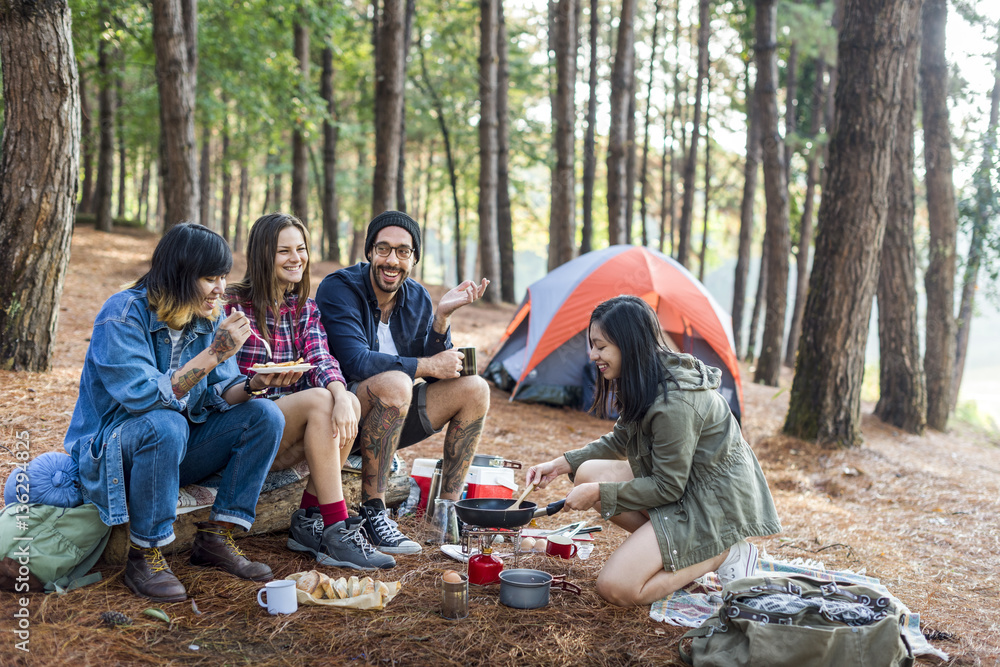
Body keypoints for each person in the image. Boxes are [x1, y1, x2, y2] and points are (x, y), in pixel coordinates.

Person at [64, 223, 286, 603]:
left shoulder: (207, 317)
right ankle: (144, 554)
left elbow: (219, 393)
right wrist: (215, 352)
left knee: (265, 414)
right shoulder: (122, 314)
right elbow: (145, 398)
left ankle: (217, 536)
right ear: (180, 275)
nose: (220, 288)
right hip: (115, 455)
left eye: (222, 277)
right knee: (165, 424)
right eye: (210, 278)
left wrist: (254, 386)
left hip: (172, 449)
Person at [525, 295, 781, 607]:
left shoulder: (675, 403)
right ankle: (677, 551)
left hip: (712, 506)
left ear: (628, 345)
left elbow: (667, 486)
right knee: (587, 472)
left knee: (615, 587)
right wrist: (562, 464)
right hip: (687, 490)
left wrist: (598, 494)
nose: (592, 355)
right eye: (592, 345)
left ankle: (720, 553)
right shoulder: (647, 378)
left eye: (601, 346)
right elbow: (620, 439)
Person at [225, 213, 394, 570]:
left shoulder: (303, 309)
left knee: (341, 398)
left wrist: (343, 393)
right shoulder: (231, 307)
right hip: (242, 433)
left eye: (300, 249)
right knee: (324, 399)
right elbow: (221, 384)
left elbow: (321, 357)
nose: (295, 258)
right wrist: (331, 393)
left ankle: (308, 519)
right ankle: (338, 528)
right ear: (262, 256)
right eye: (283, 251)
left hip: (284, 440)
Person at [316, 210, 490, 554]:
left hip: (389, 419)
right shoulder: (339, 288)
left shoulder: (418, 298)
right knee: (396, 382)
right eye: (383, 249)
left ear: (413, 258)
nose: (392, 260)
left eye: (403, 251)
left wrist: (441, 318)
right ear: (369, 252)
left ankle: (446, 515)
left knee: (475, 389)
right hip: (340, 418)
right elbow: (355, 360)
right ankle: (373, 511)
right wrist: (427, 364)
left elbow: (435, 367)